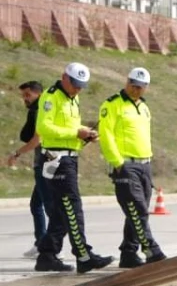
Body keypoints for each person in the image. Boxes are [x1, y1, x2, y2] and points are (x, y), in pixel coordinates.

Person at [33, 62, 114, 273]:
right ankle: (84, 255)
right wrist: (75, 133)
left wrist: (85, 136)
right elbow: (43, 128)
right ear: (64, 77)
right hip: (56, 159)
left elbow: (70, 130)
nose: (77, 89)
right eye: (75, 84)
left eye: (81, 86)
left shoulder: (73, 98)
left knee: (61, 212)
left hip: (68, 157)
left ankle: (47, 255)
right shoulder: (51, 97)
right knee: (72, 207)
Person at [97, 67, 167, 268]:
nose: (136, 90)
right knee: (137, 209)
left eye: (140, 87)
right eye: (133, 85)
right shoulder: (113, 105)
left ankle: (129, 252)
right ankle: (151, 250)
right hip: (125, 164)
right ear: (126, 82)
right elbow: (106, 134)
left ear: (146, 88)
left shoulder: (144, 107)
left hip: (144, 163)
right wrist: (117, 162)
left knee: (137, 211)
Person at [6, 80, 47, 258]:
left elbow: (37, 139)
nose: (25, 99)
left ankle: (46, 246)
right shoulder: (42, 108)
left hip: (46, 163)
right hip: (46, 163)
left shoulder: (39, 110)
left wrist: (17, 153)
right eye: (23, 95)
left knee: (42, 206)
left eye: (28, 95)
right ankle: (43, 243)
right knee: (40, 205)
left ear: (38, 93)